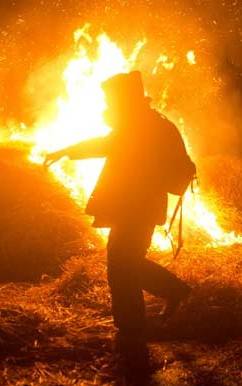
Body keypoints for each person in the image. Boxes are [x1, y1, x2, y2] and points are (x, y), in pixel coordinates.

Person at [44, 71, 192, 368]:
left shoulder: (141, 126)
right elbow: (106, 143)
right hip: (135, 206)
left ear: (125, 99)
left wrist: (65, 152)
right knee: (128, 262)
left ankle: (132, 331)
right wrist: (66, 151)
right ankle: (173, 293)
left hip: (137, 207)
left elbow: (106, 144)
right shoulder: (141, 123)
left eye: (111, 99)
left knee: (121, 266)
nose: (107, 104)